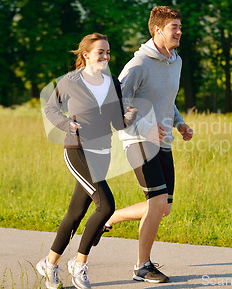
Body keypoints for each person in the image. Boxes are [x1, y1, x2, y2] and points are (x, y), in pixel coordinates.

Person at [94, 6, 193, 283]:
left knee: (164, 207)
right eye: (174, 27)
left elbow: (167, 98)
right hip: (137, 139)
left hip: (162, 141)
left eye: (180, 26)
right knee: (156, 201)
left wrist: (179, 123)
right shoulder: (138, 65)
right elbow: (116, 106)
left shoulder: (176, 61)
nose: (179, 31)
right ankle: (142, 267)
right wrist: (144, 128)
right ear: (157, 30)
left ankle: (111, 216)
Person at [36, 33, 136, 289]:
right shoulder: (70, 81)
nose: (105, 56)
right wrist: (66, 123)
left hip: (103, 153)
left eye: (108, 52)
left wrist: (128, 118)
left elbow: (116, 122)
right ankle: (79, 265)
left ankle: (49, 262)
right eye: (100, 52)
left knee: (76, 212)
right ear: (86, 55)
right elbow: (50, 108)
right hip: (78, 149)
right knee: (106, 207)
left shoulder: (112, 83)